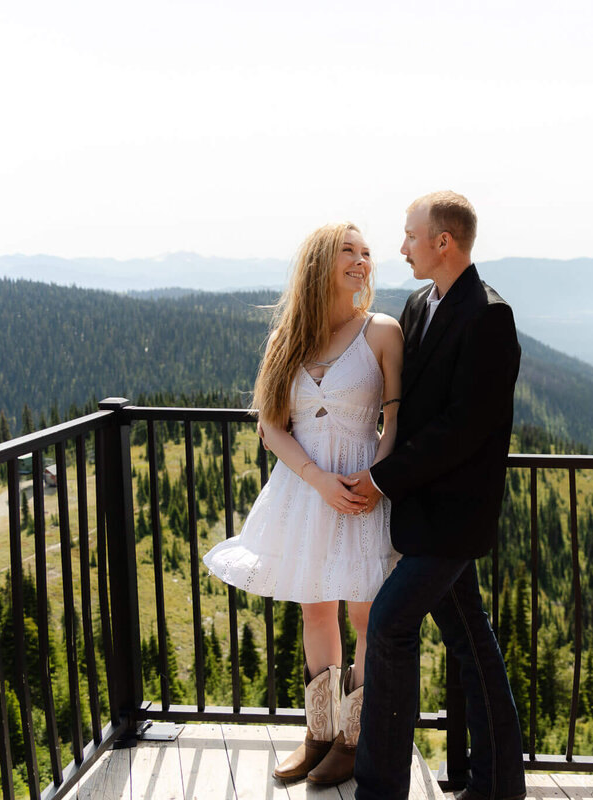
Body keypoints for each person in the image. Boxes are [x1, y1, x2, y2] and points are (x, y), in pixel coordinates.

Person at [202, 221, 404, 787]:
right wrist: (318, 480)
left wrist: (376, 480)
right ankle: (318, 733)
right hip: (305, 488)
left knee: (366, 613)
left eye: (368, 253)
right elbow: (271, 423)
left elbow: (397, 421)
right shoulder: (286, 336)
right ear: (320, 262)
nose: (363, 261)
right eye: (349, 251)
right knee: (316, 607)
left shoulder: (382, 331)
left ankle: (355, 741)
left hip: (365, 489)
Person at [345, 191, 525, 800]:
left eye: (409, 236)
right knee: (473, 645)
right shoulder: (421, 303)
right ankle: (500, 785)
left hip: (455, 518)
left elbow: (461, 432)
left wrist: (379, 480)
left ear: (442, 242)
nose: (401, 247)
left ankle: (380, 789)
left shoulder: (488, 316)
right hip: (420, 514)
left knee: (391, 625)